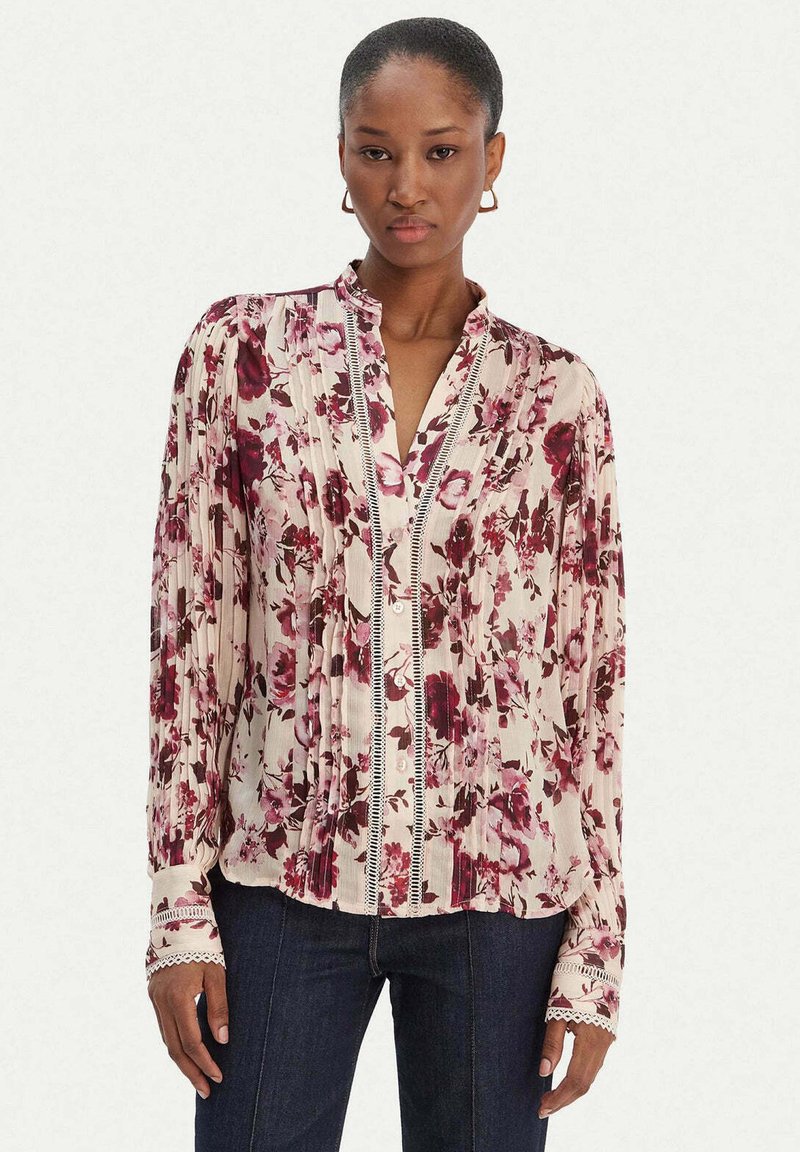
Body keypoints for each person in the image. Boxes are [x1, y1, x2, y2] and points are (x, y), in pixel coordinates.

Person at [145, 16, 628, 1151]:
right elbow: (189, 649)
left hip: (501, 906)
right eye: (375, 151)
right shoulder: (242, 358)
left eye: (440, 151)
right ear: (341, 157)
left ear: (490, 159)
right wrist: (178, 914)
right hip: (279, 889)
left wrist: (596, 955)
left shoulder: (557, 397)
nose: (406, 185)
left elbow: (591, 684)